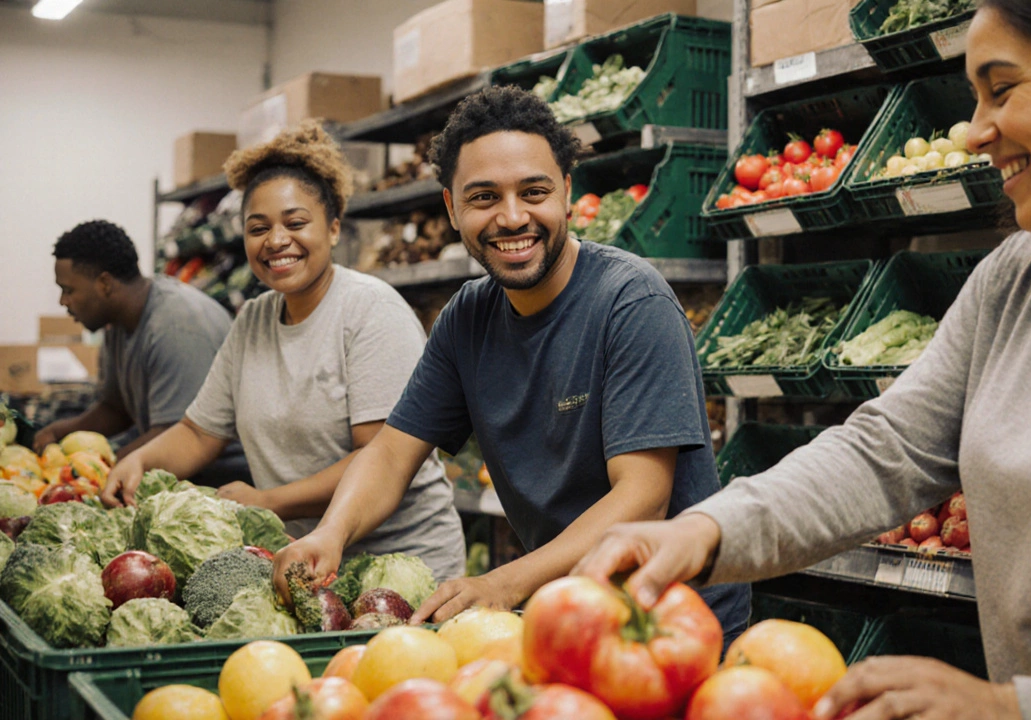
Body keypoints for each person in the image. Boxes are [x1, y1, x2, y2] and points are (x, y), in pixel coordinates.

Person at [576, 0, 1031, 718]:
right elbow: (889, 448)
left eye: (1000, 89)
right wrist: (706, 530)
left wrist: (1014, 708)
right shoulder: (1020, 276)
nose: (974, 133)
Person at [272, 86, 750, 642]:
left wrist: (504, 583)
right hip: (566, 608)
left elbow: (641, 496)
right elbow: (389, 454)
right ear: (451, 208)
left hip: (670, 618)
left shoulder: (631, 302)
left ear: (567, 193)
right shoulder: (467, 318)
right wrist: (329, 534)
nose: (513, 217)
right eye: (484, 198)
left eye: (534, 191)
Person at [102, 122, 466, 580]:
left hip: (401, 568)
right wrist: (138, 460)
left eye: (296, 223)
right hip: (303, 562)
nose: (276, 241)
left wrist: (267, 501)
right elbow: (199, 434)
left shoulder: (370, 312)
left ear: (333, 229)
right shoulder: (253, 320)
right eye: (259, 228)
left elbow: (380, 457)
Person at [37, 220, 245, 484]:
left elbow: (178, 435)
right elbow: (116, 409)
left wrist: (95, 473)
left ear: (104, 284)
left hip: (221, 481)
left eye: (68, 290)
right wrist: (61, 432)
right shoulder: (117, 324)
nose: (63, 302)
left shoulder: (177, 326)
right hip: (170, 468)